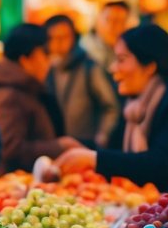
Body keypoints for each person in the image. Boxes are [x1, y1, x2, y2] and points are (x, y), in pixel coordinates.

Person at [55, 24, 168, 192]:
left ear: (150, 66)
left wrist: (93, 158)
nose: (113, 68)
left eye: (121, 59)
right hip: (152, 207)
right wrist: (76, 145)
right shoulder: (134, 105)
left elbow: (162, 163)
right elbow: (115, 150)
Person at [0, 24, 79, 174]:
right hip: (15, 187)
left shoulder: (26, 89)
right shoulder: (9, 95)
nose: (49, 63)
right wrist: (59, 146)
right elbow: (9, 149)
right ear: (25, 59)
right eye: (45, 54)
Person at [44, 15, 119, 148]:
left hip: (85, 145)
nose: (59, 42)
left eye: (64, 37)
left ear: (74, 37)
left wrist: (102, 136)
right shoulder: (46, 68)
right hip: (53, 146)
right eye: (53, 38)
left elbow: (110, 106)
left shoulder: (89, 67)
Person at [81, 1, 130, 72]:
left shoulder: (128, 51)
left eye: (118, 21)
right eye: (108, 19)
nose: (111, 26)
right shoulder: (85, 50)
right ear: (98, 21)